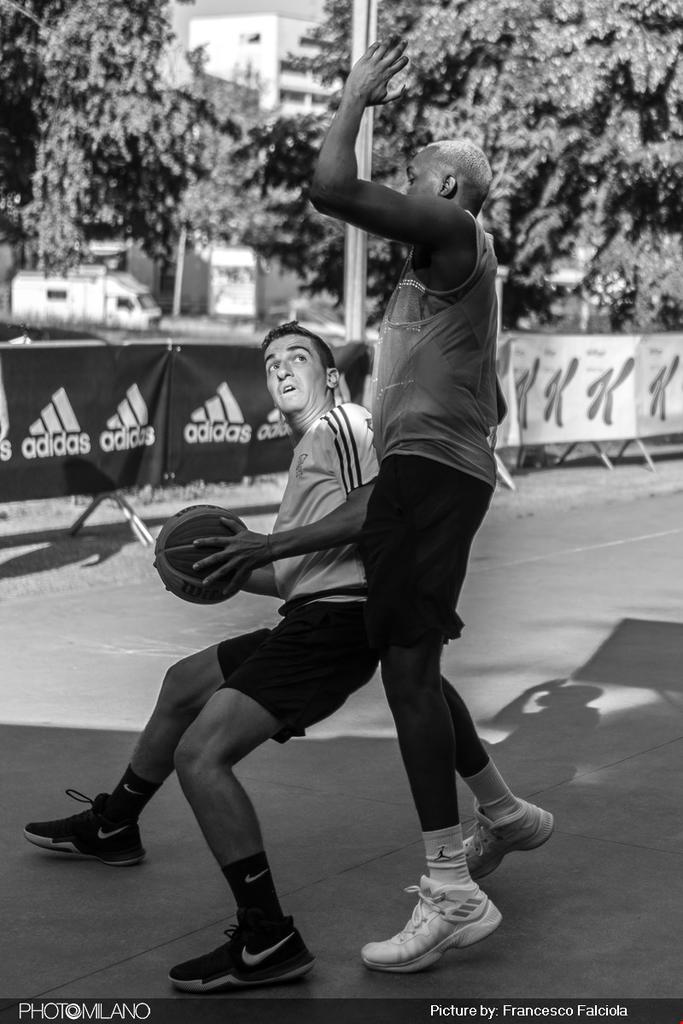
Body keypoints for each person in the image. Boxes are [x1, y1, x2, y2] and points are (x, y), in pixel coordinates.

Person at [24, 323, 546, 990]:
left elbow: (376, 509)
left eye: (298, 357)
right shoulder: (309, 451)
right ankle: (115, 824)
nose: (281, 368)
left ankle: (267, 937)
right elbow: (302, 575)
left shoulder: (344, 424)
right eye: (271, 361)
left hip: (338, 622)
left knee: (201, 756)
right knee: (183, 683)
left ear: (331, 377)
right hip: (313, 613)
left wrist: (264, 546)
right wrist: (221, 567)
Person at [305, 39, 553, 973]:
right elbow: (478, 397)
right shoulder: (433, 272)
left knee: (405, 669)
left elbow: (330, 186)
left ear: (446, 187)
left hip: (432, 477)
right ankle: (502, 812)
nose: (402, 186)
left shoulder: (454, 232)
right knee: (411, 659)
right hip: (428, 472)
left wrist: (354, 97)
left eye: (413, 174)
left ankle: (450, 890)